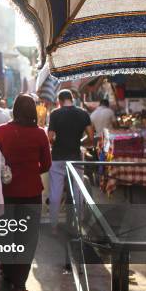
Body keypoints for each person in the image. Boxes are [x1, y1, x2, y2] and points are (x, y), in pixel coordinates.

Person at [0, 94, 51, 291]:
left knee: (5, 235)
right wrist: (32, 170)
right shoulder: (40, 134)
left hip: (6, 193)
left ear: (14, 110)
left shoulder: (0, 132)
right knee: (26, 238)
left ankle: (7, 270)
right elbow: (46, 165)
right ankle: (19, 283)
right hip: (31, 193)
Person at [48, 89, 94, 232]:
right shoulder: (83, 113)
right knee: (77, 190)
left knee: (55, 192)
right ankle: (78, 224)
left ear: (60, 101)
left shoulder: (55, 114)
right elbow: (91, 137)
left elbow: (50, 138)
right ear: (72, 98)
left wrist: (58, 142)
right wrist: (79, 142)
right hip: (75, 157)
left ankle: (53, 226)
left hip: (57, 158)